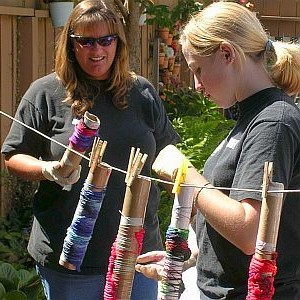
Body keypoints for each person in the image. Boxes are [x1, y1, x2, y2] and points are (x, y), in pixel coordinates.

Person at [1, 1, 180, 299]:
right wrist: (50, 170)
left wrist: (193, 189)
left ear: (118, 44)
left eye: (106, 40)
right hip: (70, 259)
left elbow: (167, 152)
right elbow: (13, 156)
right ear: (71, 45)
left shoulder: (142, 93)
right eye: (85, 41)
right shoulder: (45, 93)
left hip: (138, 254)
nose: (97, 50)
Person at [135, 1, 300, 299]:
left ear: (227, 53)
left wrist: (184, 174)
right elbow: (225, 214)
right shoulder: (251, 117)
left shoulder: (274, 122)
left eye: (198, 70)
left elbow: (251, 232)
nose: (197, 85)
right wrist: (190, 258)